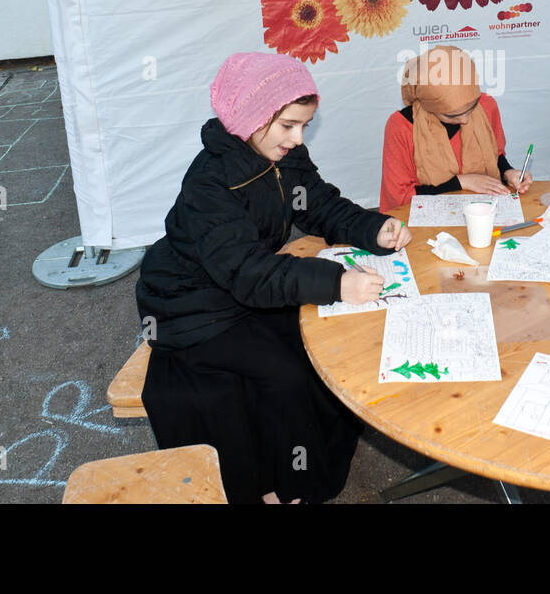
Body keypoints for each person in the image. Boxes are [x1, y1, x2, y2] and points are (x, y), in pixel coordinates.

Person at [136, 52, 411, 504]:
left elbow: (318, 203)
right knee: (284, 374)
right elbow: (248, 274)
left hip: (237, 284)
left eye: (303, 125)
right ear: (251, 116)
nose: (298, 138)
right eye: (288, 125)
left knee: (324, 347)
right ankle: (278, 487)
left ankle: (307, 473)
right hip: (188, 305)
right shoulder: (209, 186)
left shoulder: (278, 153)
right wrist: (337, 281)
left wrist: (372, 228)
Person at [380, 45, 532, 213]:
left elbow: (495, 154)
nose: (465, 119)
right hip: (427, 222)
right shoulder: (401, 126)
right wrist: (461, 182)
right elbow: (399, 197)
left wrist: (507, 172)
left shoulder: (486, 106)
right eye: (452, 116)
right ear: (430, 106)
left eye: (471, 107)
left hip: (483, 212)